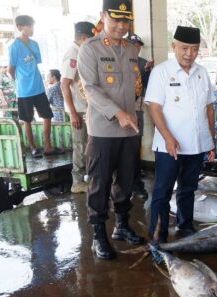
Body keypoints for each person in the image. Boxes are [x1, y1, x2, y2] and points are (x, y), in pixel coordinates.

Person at [78, 0, 145, 260]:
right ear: (103, 16)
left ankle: (122, 226)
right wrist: (118, 113)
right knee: (100, 184)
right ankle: (98, 236)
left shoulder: (131, 50)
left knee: (126, 181)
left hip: (129, 130)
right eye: (115, 20)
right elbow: (90, 89)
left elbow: (134, 88)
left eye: (125, 21)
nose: (120, 26)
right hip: (104, 130)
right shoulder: (90, 49)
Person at [145, 26, 216, 244]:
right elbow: (154, 108)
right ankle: (159, 234)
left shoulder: (201, 73)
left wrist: (211, 142)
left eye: (194, 49)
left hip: (196, 144)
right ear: (173, 46)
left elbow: (209, 108)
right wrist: (167, 137)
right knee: (163, 190)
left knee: (189, 188)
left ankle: (185, 226)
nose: (189, 53)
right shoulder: (161, 72)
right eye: (184, 48)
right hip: (170, 146)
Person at [8, 14, 61, 158]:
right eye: (29, 26)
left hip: (38, 87)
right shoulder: (14, 46)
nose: (32, 29)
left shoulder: (34, 44)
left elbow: (35, 63)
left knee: (47, 116)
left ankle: (48, 146)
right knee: (27, 120)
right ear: (20, 27)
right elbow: (10, 70)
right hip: (24, 91)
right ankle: (33, 147)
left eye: (32, 26)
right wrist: (19, 82)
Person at [61, 21, 96, 194]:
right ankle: (77, 181)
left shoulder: (82, 51)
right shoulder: (72, 54)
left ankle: (89, 177)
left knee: (90, 145)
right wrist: (73, 113)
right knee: (80, 146)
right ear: (83, 38)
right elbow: (64, 85)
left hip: (87, 108)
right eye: (91, 38)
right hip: (79, 110)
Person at [128, 33, 151, 199]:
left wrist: (149, 72)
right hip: (116, 113)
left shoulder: (143, 63)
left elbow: (148, 87)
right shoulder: (116, 60)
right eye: (133, 45)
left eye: (138, 46)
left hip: (137, 109)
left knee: (135, 146)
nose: (136, 48)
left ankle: (136, 183)